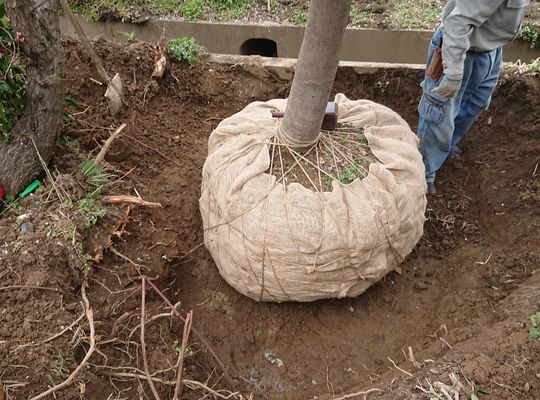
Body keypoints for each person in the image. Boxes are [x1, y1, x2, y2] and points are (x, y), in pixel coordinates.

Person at [417, 0, 531, 194]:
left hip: (490, 49)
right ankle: (423, 172)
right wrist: (452, 72)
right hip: (461, 49)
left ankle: (446, 145)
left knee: (476, 103)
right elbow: (457, 23)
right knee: (440, 112)